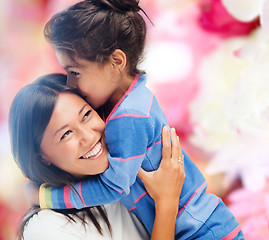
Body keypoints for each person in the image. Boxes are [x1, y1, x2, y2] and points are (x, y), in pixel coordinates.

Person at [40, 0, 244, 239]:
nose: (70, 84)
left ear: (116, 62)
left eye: (74, 72)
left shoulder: (128, 118)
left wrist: (47, 196)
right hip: (202, 223)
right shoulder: (134, 95)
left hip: (202, 231)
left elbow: (113, 186)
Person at [10, 73, 185, 240]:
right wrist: (167, 202)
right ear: (42, 157)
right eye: (66, 134)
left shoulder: (127, 171)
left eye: (86, 115)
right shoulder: (46, 228)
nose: (88, 137)